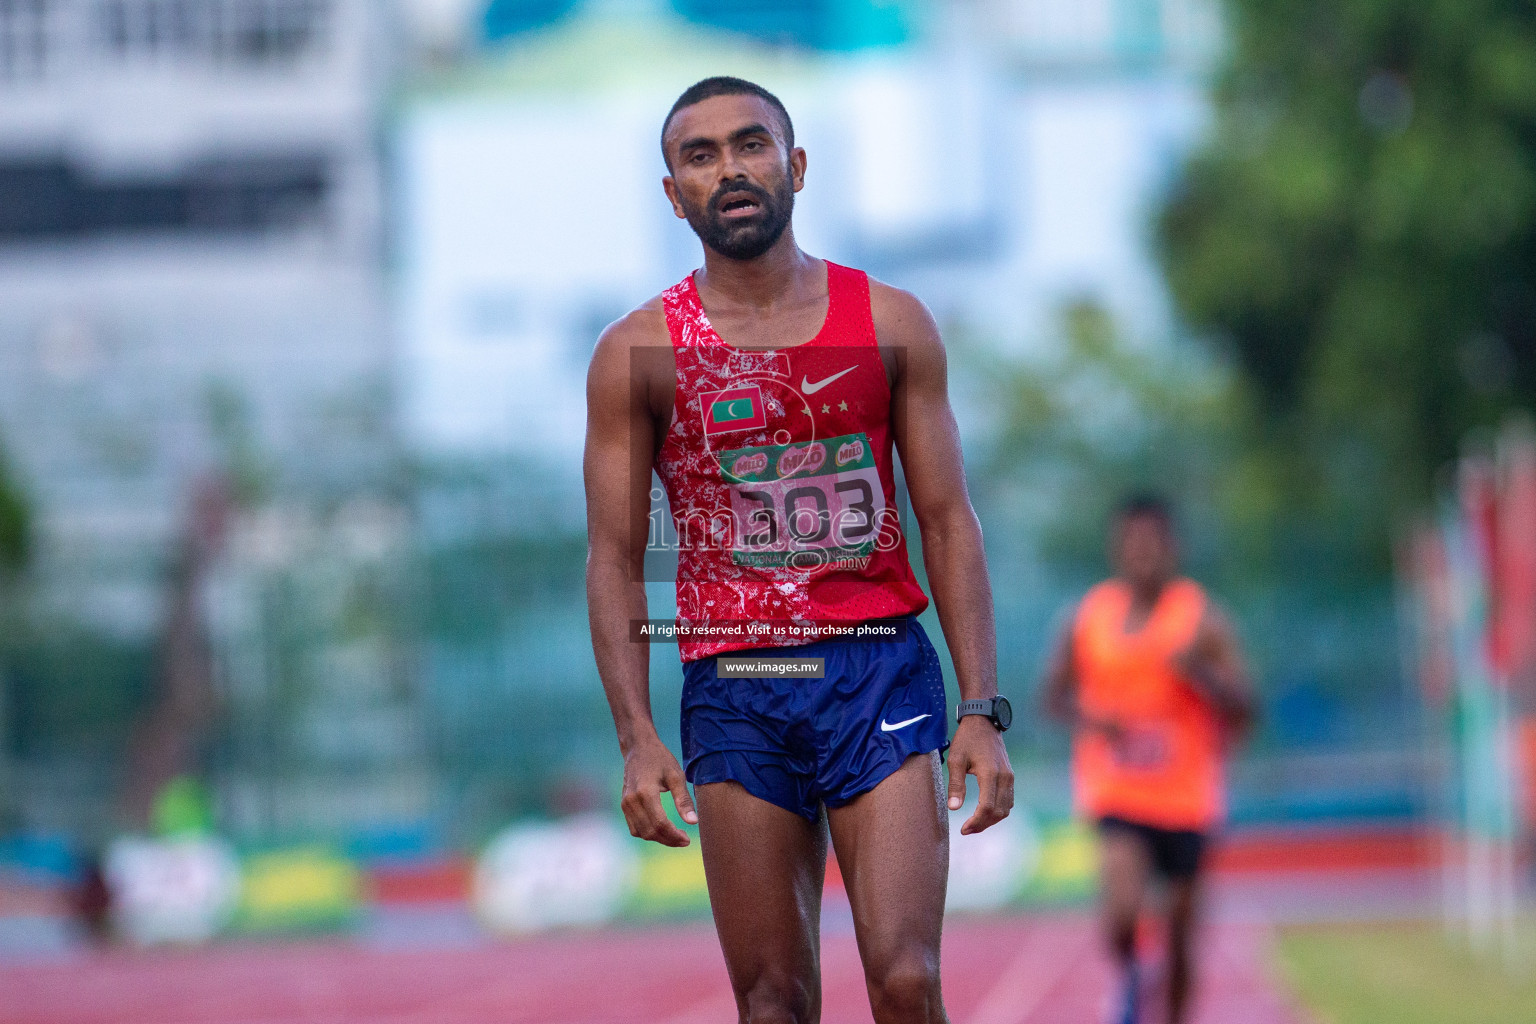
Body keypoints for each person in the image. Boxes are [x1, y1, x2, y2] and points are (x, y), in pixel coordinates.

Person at [584, 77, 1014, 1024]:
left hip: (878, 675)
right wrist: (635, 736)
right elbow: (613, 556)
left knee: (905, 979)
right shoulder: (636, 351)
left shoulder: (890, 323)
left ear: (797, 166)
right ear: (672, 191)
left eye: (751, 144)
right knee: (773, 1001)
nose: (730, 169)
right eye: (700, 155)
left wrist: (980, 707)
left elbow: (947, 519)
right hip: (734, 683)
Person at [1042, 494, 1254, 1024]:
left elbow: (1248, 708)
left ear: (1172, 548)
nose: (1142, 556)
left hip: (1186, 797)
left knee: (1182, 938)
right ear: (1116, 549)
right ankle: (1133, 970)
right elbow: (1052, 697)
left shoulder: (1204, 620)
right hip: (1118, 791)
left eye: (1153, 545)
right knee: (1121, 910)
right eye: (1131, 545)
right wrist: (1093, 717)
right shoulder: (1086, 617)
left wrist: (1201, 677)